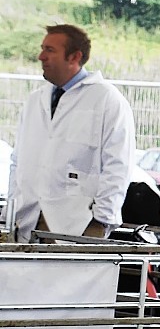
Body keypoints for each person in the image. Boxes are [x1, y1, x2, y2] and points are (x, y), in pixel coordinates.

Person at [7, 24, 134, 241]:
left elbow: (118, 165)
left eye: (50, 50)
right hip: (27, 218)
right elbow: (18, 161)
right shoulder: (34, 101)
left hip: (79, 223)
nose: (41, 56)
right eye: (42, 48)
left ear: (74, 57)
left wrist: (101, 220)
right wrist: (11, 209)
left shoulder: (107, 100)